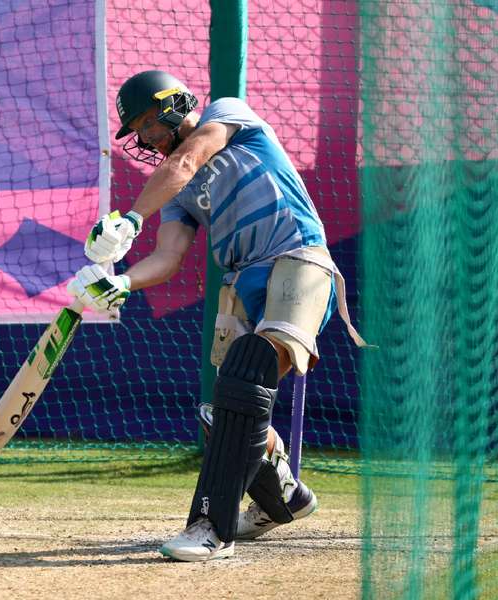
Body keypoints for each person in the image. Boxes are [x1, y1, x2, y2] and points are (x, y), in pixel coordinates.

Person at [67, 70, 366, 562]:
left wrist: (131, 217)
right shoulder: (177, 193)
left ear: (173, 105)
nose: (143, 138)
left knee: (247, 375)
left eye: (146, 123)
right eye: (137, 131)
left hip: (297, 259)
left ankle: (211, 527)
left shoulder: (227, 114)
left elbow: (187, 158)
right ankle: (285, 497)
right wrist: (120, 282)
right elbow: (166, 259)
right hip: (243, 281)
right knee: (224, 410)